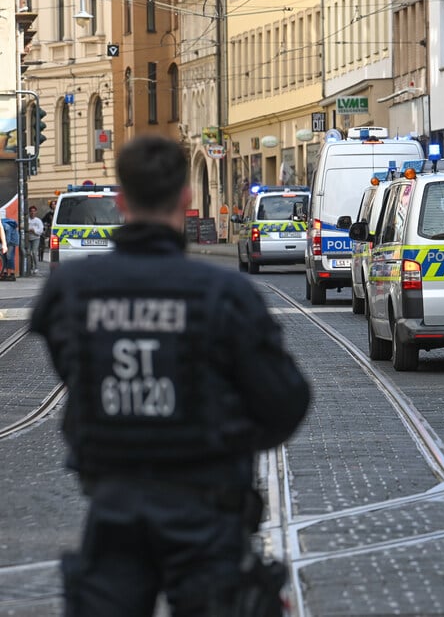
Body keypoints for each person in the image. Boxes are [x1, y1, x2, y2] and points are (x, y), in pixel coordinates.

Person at [30, 135, 310, 616]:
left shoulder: (71, 290)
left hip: (114, 506)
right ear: (185, 197)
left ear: (122, 201)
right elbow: (285, 402)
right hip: (206, 510)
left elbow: (73, 372)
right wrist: (225, 434)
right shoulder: (224, 293)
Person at [26, 205, 43, 275]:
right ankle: (30, 267)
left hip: (36, 238)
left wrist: (34, 231)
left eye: (34, 211)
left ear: (36, 212)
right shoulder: (27, 220)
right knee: (29, 253)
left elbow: (40, 231)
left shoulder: (38, 221)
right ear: (29, 212)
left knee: (34, 252)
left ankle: (36, 267)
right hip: (28, 239)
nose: (32, 213)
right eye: (31, 211)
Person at [1, 216, 18, 281]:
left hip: (11, 242)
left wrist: (3, 244)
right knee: (4, 257)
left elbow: (8, 237)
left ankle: (12, 274)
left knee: (9, 257)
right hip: (7, 241)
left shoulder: (6, 226)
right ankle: (4, 273)